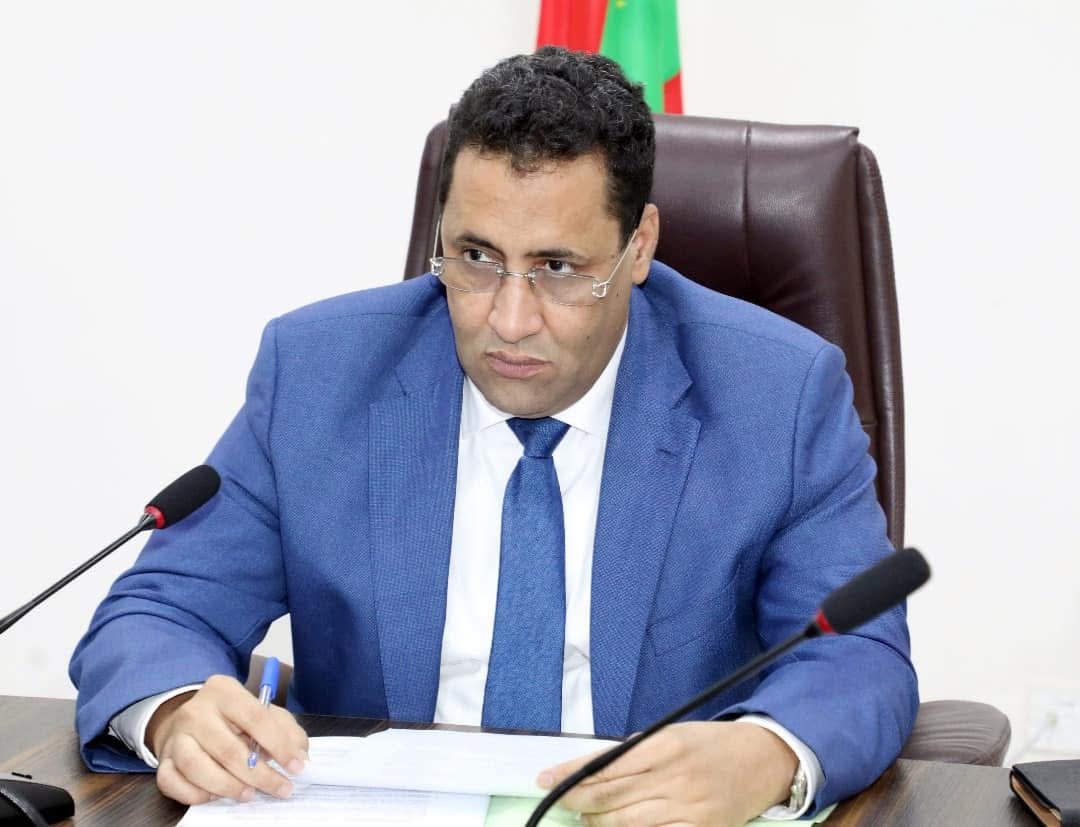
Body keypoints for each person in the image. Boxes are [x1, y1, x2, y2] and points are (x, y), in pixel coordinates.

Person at [70, 47, 917, 825]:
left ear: (639, 247)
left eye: (558, 268)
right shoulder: (320, 377)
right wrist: (178, 710)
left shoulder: (778, 396)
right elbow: (159, 608)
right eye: (475, 257)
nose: (509, 319)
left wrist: (766, 752)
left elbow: (860, 653)